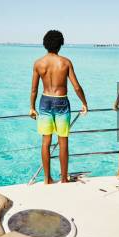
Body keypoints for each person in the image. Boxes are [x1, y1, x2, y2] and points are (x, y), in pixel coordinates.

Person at [30, 30, 88, 184]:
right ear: (60, 44)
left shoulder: (38, 63)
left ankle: (47, 178)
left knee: (45, 142)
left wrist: (32, 107)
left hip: (45, 101)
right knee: (63, 141)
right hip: (62, 101)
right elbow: (76, 86)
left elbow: (34, 89)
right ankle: (63, 178)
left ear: (45, 44)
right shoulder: (65, 62)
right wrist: (84, 103)